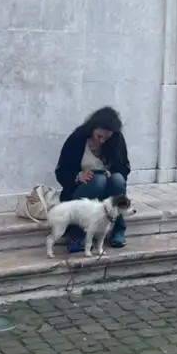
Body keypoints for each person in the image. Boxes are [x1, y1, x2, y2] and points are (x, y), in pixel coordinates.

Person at [54, 106, 131, 251]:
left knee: (118, 180)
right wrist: (78, 177)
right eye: (99, 137)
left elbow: (124, 167)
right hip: (84, 190)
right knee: (97, 181)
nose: (102, 141)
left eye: (106, 138)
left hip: (108, 193)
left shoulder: (117, 140)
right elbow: (61, 170)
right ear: (92, 129)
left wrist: (111, 173)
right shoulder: (77, 139)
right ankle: (78, 234)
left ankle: (117, 230)